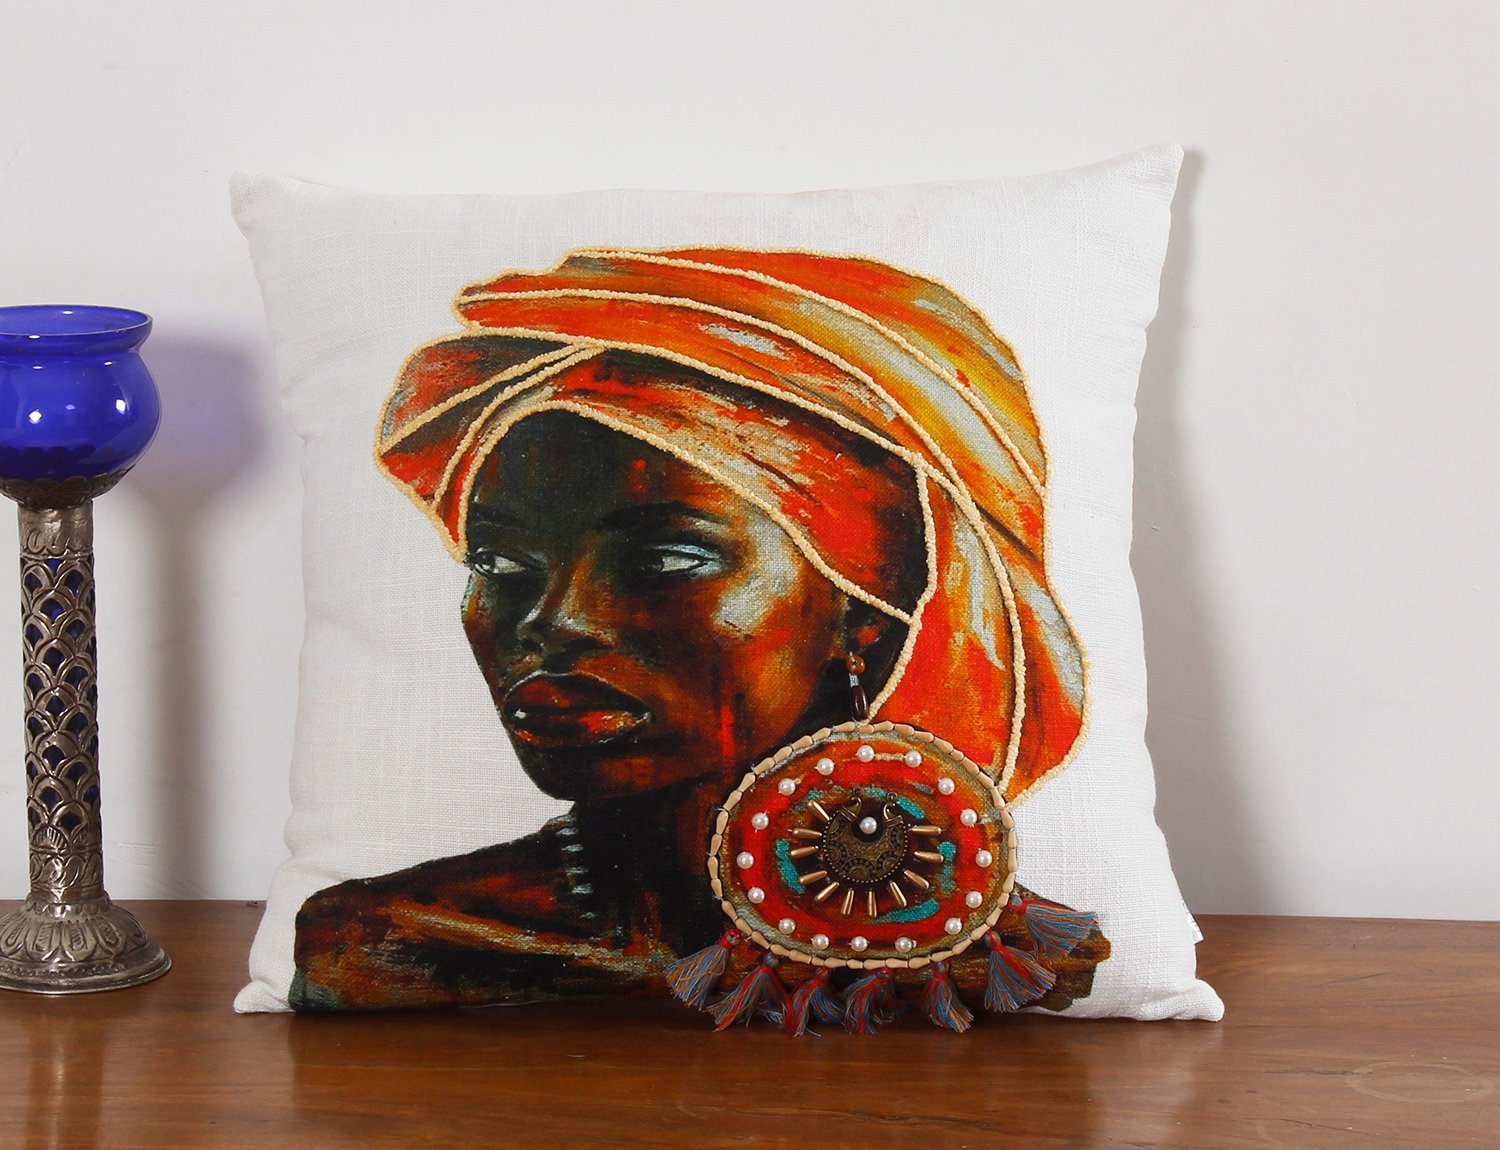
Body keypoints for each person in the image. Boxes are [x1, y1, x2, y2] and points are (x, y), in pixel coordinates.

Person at [291, 248, 1108, 1012]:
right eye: (499, 564)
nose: (553, 621)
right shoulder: (380, 940)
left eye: (664, 559)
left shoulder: (1006, 954)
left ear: (866, 608)